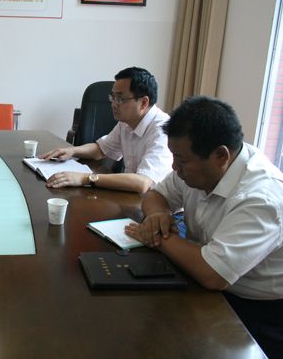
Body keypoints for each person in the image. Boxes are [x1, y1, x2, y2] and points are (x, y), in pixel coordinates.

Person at [124, 96, 283, 358]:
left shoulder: (261, 198)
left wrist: (156, 236)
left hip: (256, 310)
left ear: (221, 156)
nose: (174, 167)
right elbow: (155, 194)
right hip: (202, 277)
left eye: (181, 160)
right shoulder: (199, 167)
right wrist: (158, 215)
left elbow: (213, 274)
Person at [40, 67, 172, 194]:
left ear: (143, 103)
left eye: (119, 99)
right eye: (112, 97)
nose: (113, 104)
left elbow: (142, 182)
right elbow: (101, 149)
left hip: (158, 205)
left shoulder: (162, 130)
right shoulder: (126, 123)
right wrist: (72, 151)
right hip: (132, 196)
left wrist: (85, 178)